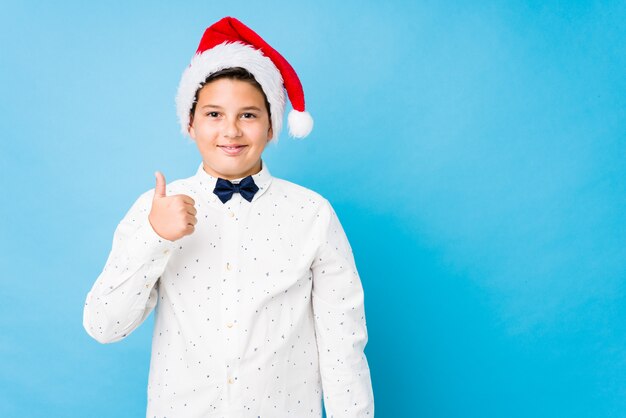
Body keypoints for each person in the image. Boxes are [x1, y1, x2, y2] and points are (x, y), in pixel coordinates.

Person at [83, 16, 374, 418]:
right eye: (214, 114)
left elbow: (343, 344)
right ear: (190, 122)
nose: (231, 130)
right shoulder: (156, 210)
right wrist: (155, 237)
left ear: (272, 125)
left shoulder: (312, 214)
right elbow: (104, 325)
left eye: (249, 115)